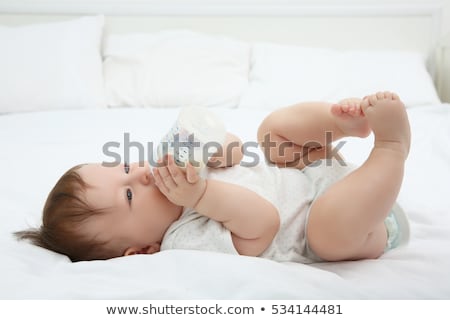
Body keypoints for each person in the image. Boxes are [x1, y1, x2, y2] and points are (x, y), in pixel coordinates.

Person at [15, 91, 411, 263]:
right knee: (327, 234)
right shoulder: (182, 239)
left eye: (125, 169)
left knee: (270, 134)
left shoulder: (183, 169)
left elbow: (238, 151)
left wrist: (213, 148)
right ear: (141, 251)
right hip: (356, 220)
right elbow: (264, 224)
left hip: (312, 173)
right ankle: (391, 146)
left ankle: (343, 124)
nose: (141, 175)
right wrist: (200, 194)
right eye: (130, 196)